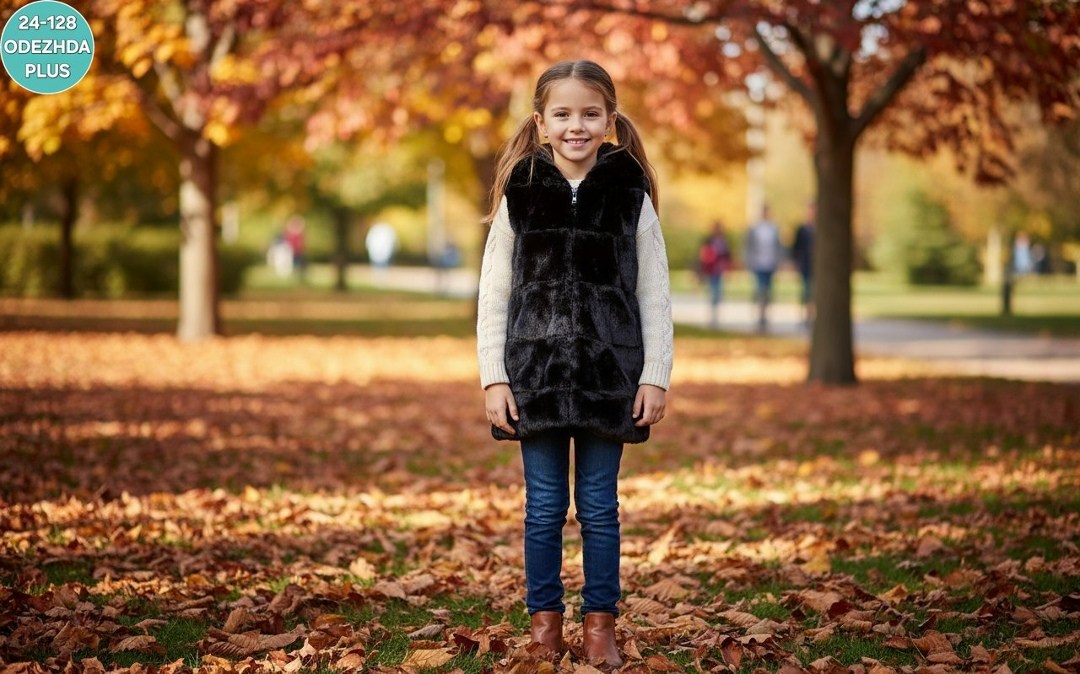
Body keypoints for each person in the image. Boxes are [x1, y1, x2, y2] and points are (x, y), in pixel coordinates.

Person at [476, 60, 672, 667]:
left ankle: (600, 628)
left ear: (610, 120)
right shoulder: (521, 193)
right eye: (562, 114)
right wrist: (493, 376)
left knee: (597, 506)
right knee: (542, 507)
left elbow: (655, 293)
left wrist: (655, 374)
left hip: (608, 379)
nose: (576, 126)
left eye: (590, 114)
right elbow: (494, 293)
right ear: (541, 122)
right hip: (532, 378)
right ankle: (543, 628)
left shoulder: (629, 193)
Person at [744, 204, 783, 331]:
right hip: (758, 264)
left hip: (770, 264)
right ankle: (760, 314)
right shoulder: (755, 228)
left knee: (768, 290)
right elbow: (748, 245)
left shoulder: (774, 228)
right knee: (761, 288)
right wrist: (749, 261)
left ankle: (765, 313)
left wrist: (779, 261)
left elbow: (778, 246)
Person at [697, 221, 733, 329]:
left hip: (719, 270)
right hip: (711, 269)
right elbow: (703, 254)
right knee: (714, 291)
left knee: (718, 291)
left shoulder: (724, 241)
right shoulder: (709, 240)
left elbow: (727, 255)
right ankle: (713, 314)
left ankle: (715, 313)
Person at [790, 203, 815, 324]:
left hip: (817, 267)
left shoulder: (820, 228)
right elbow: (796, 247)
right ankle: (805, 314)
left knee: (813, 291)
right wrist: (795, 262)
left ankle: (811, 314)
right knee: (806, 290)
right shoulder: (802, 229)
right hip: (805, 264)